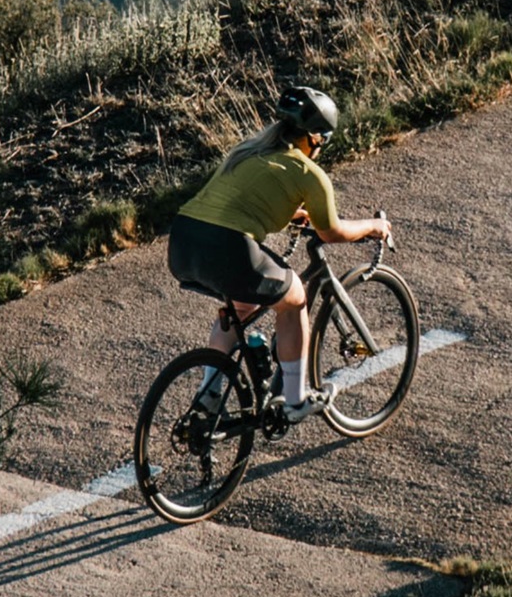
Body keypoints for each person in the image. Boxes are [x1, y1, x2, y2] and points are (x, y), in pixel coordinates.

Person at [168, 85, 393, 423]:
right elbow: (331, 232)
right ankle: (295, 399)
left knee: (240, 307)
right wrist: (374, 228)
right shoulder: (309, 173)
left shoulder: (245, 151)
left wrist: (292, 215)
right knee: (295, 299)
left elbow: (239, 202)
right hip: (229, 249)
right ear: (315, 137)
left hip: (184, 244)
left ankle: (209, 394)